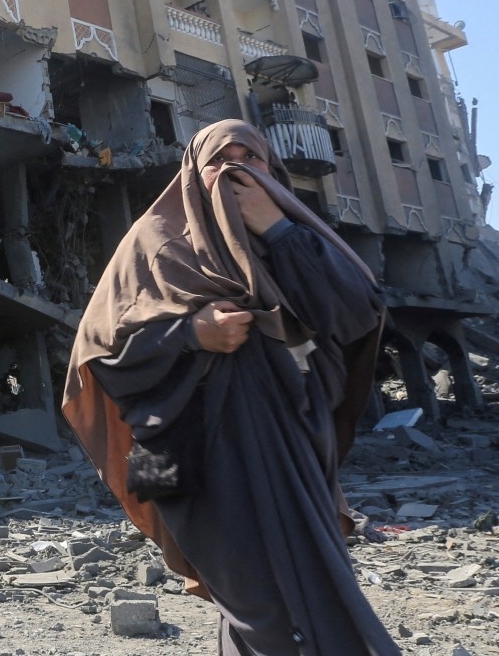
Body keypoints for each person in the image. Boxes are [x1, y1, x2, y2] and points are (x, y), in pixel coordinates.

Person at [62, 120, 398, 656]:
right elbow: (101, 356)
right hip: (184, 453)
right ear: (195, 172)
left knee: (299, 581)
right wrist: (191, 333)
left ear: (273, 171)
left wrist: (278, 230)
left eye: (252, 159)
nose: (236, 169)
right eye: (220, 159)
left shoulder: (296, 234)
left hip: (294, 443)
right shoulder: (157, 241)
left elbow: (358, 313)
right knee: (252, 593)